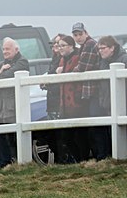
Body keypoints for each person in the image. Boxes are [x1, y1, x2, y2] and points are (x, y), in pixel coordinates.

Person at [0, 38, 29, 167]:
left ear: (16, 49)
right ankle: (13, 163)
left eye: (7, 49)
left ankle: (21, 163)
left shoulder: (22, 62)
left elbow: (7, 75)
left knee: (17, 137)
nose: (5, 51)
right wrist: (0, 70)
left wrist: (2, 72)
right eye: (3, 49)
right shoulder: (4, 63)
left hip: (15, 107)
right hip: (4, 108)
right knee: (8, 137)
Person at [71, 22, 102, 158]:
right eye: (75, 35)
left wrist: (72, 70)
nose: (78, 37)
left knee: (96, 123)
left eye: (80, 34)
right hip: (92, 90)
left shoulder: (89, 45)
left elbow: (83, 66)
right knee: (95, 124)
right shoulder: (85, 45)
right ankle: (99, 154)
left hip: (94, 90)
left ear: (86, 33)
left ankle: (101, 155)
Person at [94, 35, 127, 158]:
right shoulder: (102, 62)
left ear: (112, 48)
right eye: (99, 49)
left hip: (122, 102)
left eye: (103, 48)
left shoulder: (124, 59)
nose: (100, 51)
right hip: (108, 103)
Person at [54, 35, 86, 163]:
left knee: (79, 135)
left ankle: (83, 159)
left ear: (71, 46)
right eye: (59, 46)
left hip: (76, 103)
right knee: (66, 136)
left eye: (63, 46)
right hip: (65, 104)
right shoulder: (62, 60)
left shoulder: (77, 58)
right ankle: (78, 160)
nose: (60, 48)